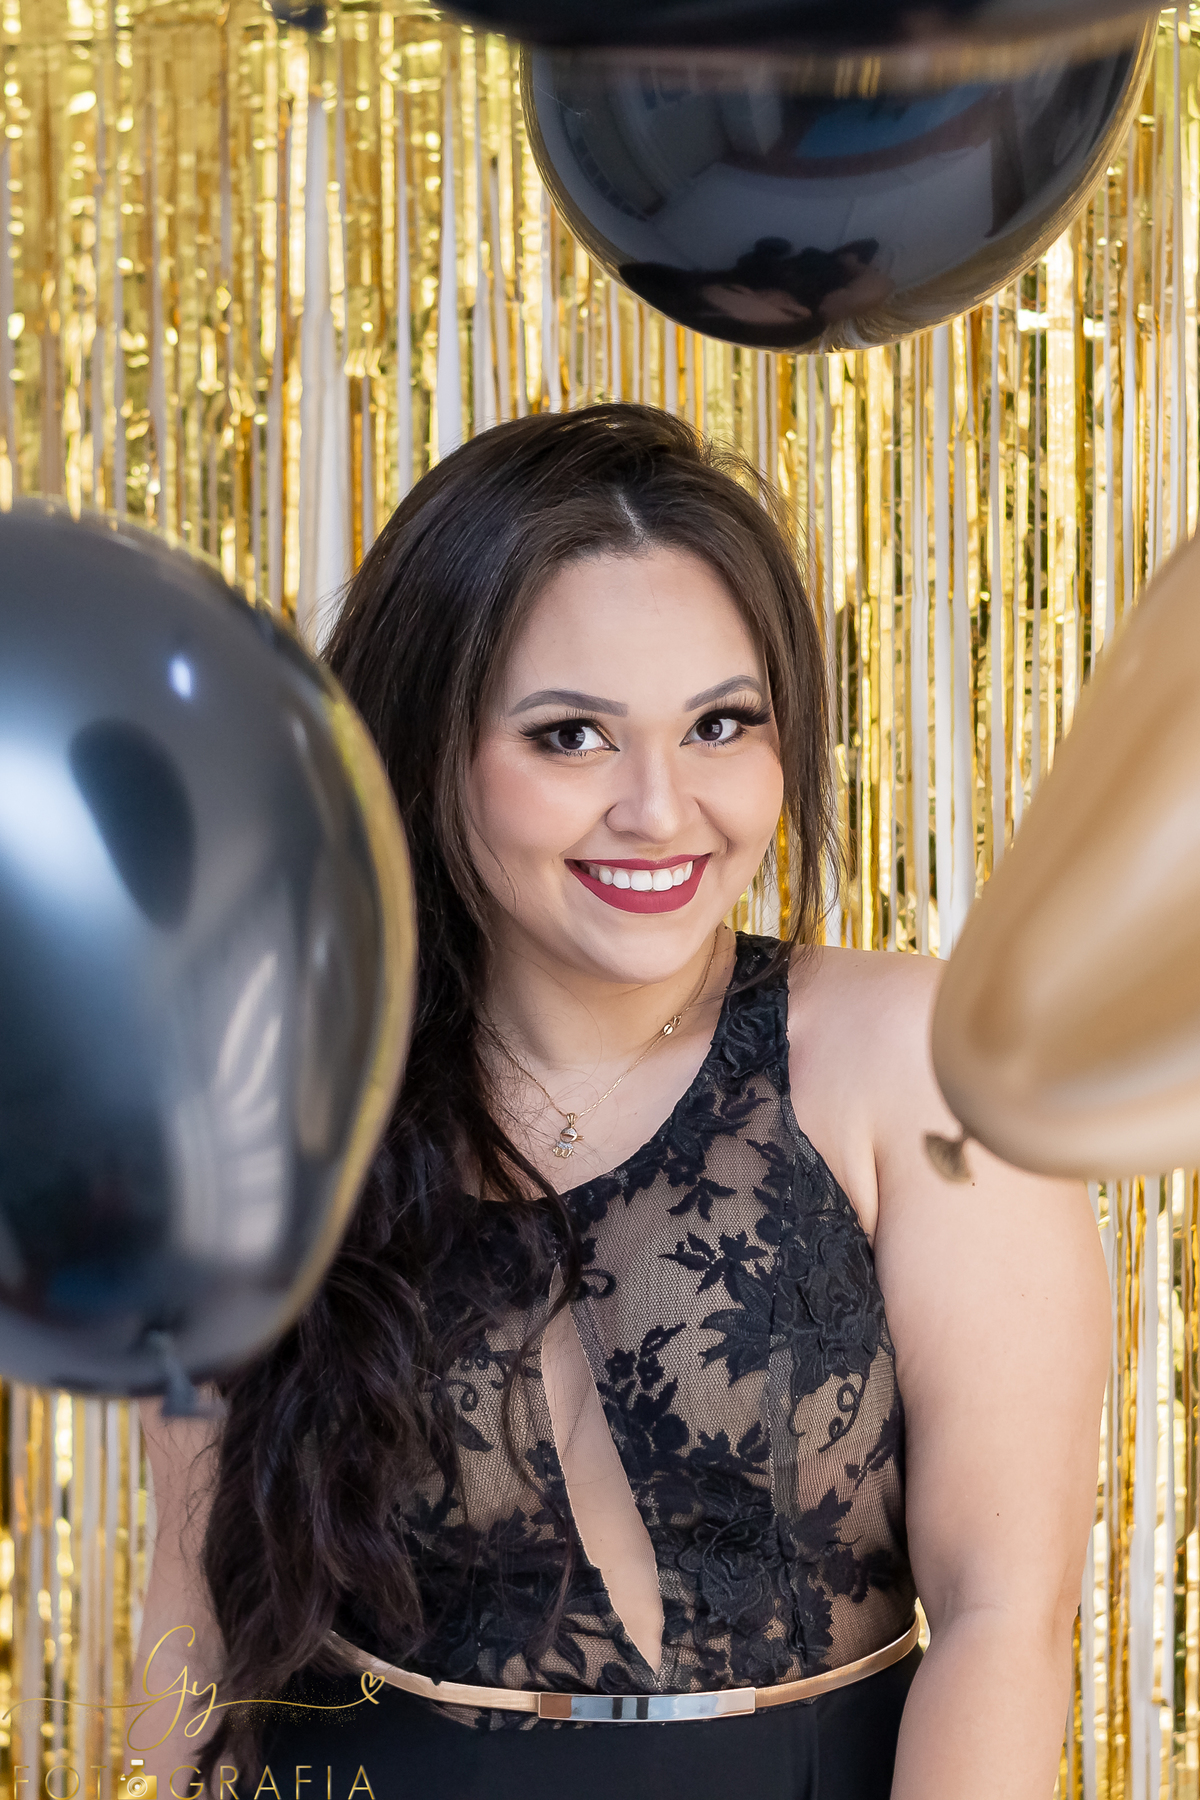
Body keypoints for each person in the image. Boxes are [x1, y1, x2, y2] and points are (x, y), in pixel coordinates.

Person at [134, 403, 1109, 1800]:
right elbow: (195, 1617)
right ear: (427, 745)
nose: (662, 809)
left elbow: (1007, 1617)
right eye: (572, 736)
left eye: (721, 724)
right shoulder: (263, 1093)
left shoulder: (923, 1061)